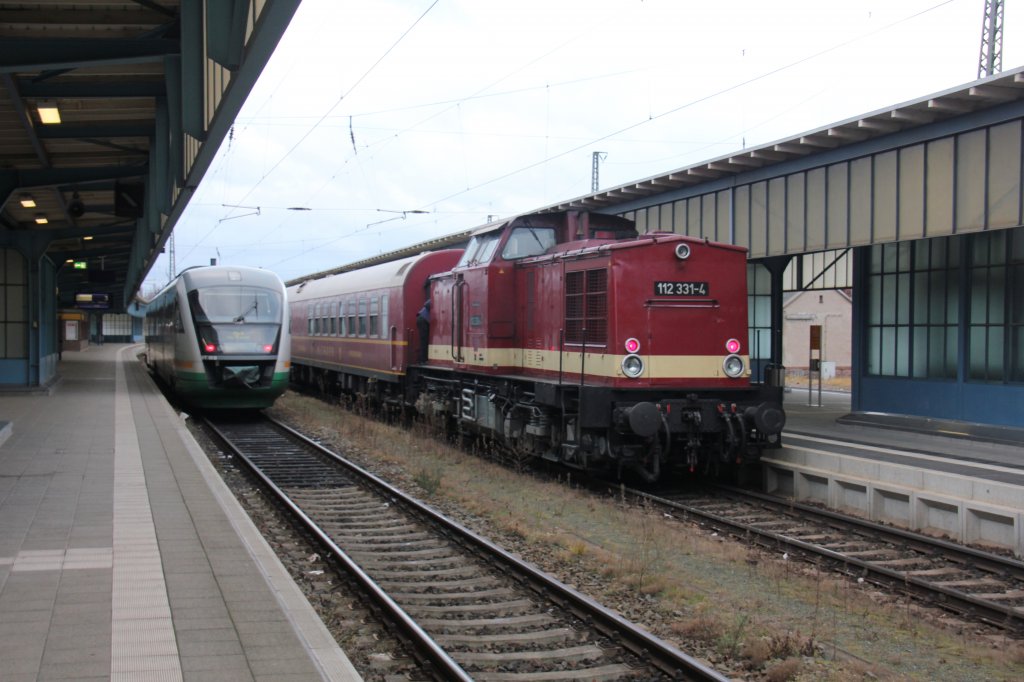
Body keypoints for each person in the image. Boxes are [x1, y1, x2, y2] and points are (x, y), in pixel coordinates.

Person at [416, 298, 431, 362]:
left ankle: (423, 359)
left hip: (422, 318)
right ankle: (423, 359)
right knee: (424, 340)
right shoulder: (432, 300)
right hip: (423, 319)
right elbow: (426, 304)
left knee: (424, 340)